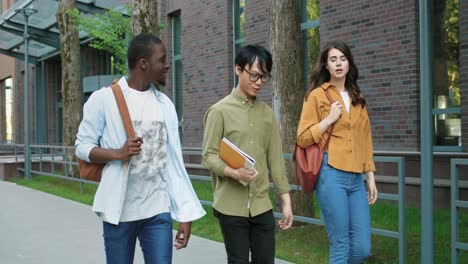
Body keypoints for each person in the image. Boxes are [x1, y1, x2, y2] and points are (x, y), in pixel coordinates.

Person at [75, 34, 206, 264]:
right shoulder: (105, 99)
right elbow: (82, 147)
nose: (167, 65)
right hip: (120, 212)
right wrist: (117, 153)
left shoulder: (165, 104)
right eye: (162, 60)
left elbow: (174, 163)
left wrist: (185, 213)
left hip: (157, 212)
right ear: (144, 63)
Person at [202, 45, 293, 264]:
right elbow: (209, 156)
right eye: (254, 75)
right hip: (231, 205)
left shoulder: (267, 114)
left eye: (264, 77)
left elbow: (275, 160)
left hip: (262, 204)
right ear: (238, 70)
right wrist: (234, 172)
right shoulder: (219, 111)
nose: (259, 82)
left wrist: (286, 201)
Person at [296, 41, 378, 263]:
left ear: (349, 64)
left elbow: (365, 140)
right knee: (340, 245)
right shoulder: (316, 96)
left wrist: (370, 176)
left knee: (361, 248)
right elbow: (302, 138)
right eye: (333, 59)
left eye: (343, 58)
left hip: (356, 179)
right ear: (326, 66)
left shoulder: (358, 99)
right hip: (331, 174)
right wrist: (329, 119)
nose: (338, 63)